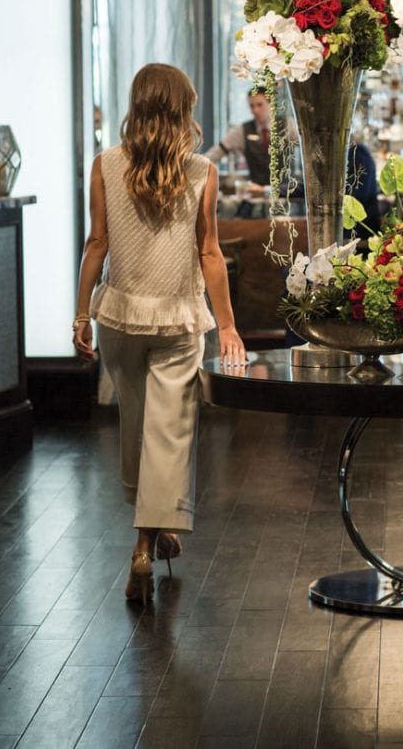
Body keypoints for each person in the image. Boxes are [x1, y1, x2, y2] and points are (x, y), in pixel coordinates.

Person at [72, 63, 246, 605]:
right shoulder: (200, 172)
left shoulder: (105, 165)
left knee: (136, 427)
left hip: (121, 316)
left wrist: (81, 315)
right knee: (169, 431)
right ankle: (147, 541)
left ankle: (151, 535)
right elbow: (210, 252)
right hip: (177, 318)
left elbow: (95, 245)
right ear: (182, 110)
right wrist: (230, 326)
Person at [205, 84, 271, 186]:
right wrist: (196, 166)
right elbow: (216, 152)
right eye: (251, 106)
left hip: (286, 195)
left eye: (259, 105)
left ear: (270, 104)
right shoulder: (242, 130)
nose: (255, 110)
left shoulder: (287, 125)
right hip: (256, 195)